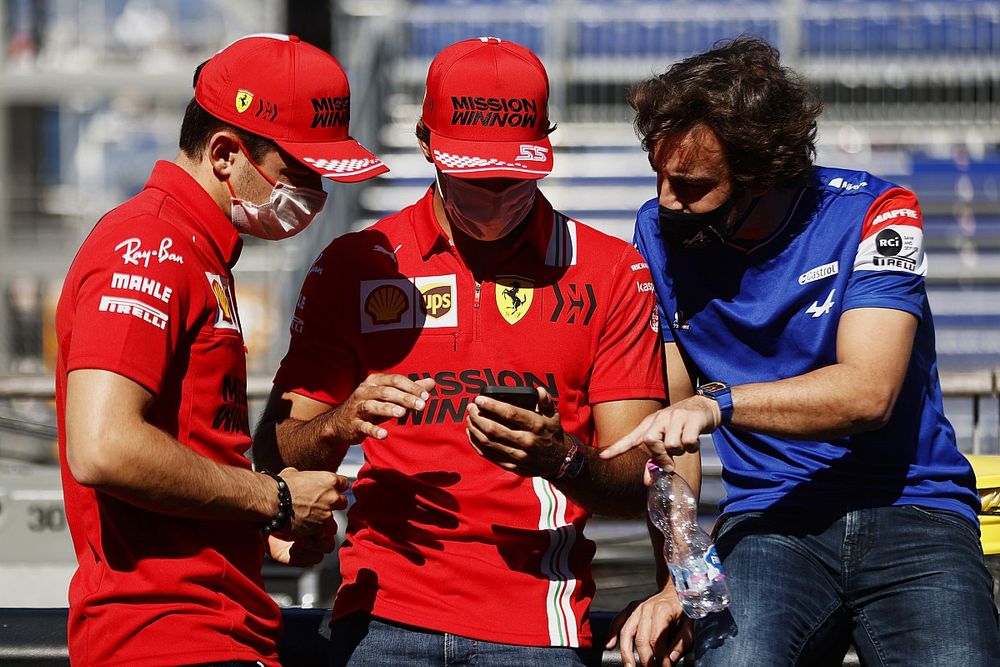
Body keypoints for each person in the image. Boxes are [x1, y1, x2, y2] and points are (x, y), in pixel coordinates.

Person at [253, 36, 667, 666]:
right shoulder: (357, 264)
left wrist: (562, 460)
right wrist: (342, 422)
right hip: (380, 613)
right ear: (425, 144)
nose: (497, 198)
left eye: (515, 176)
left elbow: (643, 483)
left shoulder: (611, 272)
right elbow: (274, 446)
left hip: (538, 622)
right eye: (475, 178)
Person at [600, 36, 1000, 666]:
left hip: (913, 512)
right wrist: (683, 581)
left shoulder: (878, 211)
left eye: (692, 184)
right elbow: (671, 438)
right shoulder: (658, 229)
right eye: (660, 175)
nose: (667, 199)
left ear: (762, 173)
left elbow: (869, 392)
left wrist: (720, 405)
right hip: (768, 523)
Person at [55, 34, 389, 666]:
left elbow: (185, 455)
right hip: (162, 637)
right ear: (225, 153)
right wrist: (275, 499)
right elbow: (102, 446)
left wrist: (259, 529)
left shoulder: (194, 249)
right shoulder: (149, 243)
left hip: (208, 628)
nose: (315, 195)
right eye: (300, 174)